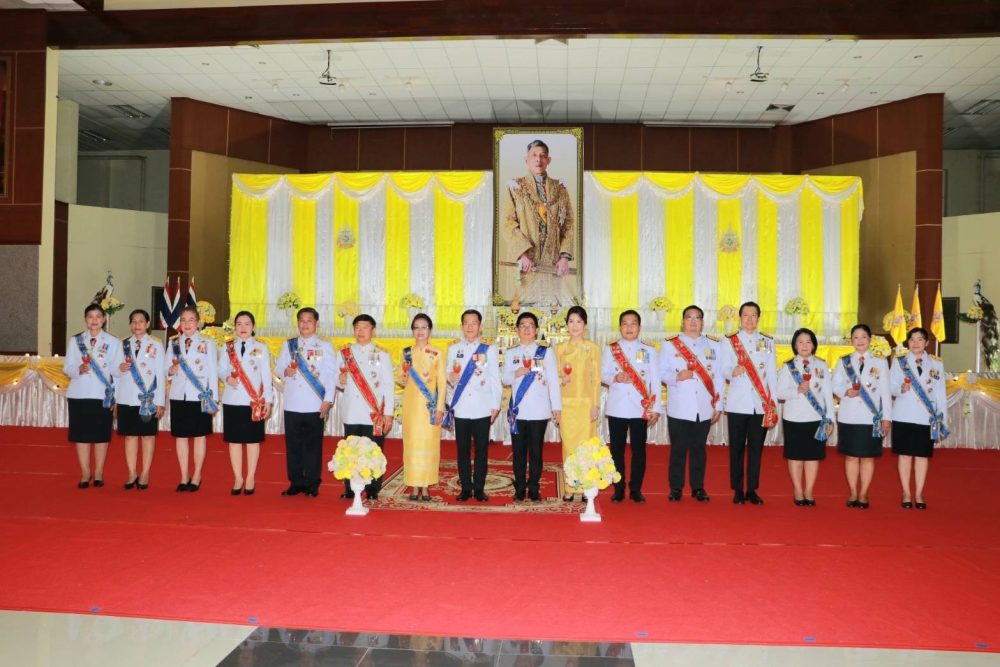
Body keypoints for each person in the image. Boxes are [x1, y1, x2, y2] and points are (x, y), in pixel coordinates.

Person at [501, 139, 577, 306]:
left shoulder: (560, 189)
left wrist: (564, 257)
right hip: (527, 261)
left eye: (542, 156)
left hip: (552, 261)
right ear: (526, 159)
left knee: (552, 308)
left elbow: (569, 223)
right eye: (534, 155)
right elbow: (508, 222)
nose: (538, 159)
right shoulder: (515, 187)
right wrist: (522, 254)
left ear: (548, 160)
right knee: (525, 310)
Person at [662, 305, 724, 502]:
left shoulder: (714, 345)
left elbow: (719, 377)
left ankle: (698, 487)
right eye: (689, 318)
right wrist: (676, 376)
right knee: (678, 449)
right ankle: (676, 488)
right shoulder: (670, 344)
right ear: (682, 322)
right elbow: (661, 372)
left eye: (697, 318)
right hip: (679, 406)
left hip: (704, 406)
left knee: (699, 449)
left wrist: (719, 405)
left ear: (702, 322)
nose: (693, 321)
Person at [274, 307, 336, 498]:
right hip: (292, 402)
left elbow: (331, 375)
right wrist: (285, 371)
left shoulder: (324, 345)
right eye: (302, 320)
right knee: (293, 446)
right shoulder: (289, 344)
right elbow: (278, 369)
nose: (305, 324)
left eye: (309, 320)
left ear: (316, 323)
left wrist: (328, 400)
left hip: (314, 403)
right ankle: (295, 482)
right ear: (297, 323)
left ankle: (312, 483)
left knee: (313, 446)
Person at [601, 309, 661, 503]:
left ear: (639, 327)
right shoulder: (611, 349)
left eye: (633, 323)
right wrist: (615, 377)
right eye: (625, 324)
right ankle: (618, 488)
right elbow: (602, 374)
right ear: (620, 327)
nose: (629, 327)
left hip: (640, 408)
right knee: (616, 451)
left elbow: (655, 380)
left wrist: (656, 408)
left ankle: (636, 489)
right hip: (617, 407)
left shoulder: (649, 350)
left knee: (639, 451)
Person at [721, 301, 778, 505]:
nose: (750, 319)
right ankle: (737, 489)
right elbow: (723, 369)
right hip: (738, 403)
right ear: (740, 318)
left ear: (758, 318)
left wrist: (772, 402)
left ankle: (752, 489)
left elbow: (772, 374)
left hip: (760, 404)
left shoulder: (767, 341)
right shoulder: (729, 341)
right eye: (746, 315)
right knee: (736, 448)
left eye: (754, 315)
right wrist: (732, 371)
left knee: (756, 449)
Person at [503, 311, 562, 501]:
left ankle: (534, 486)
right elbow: (505, 379)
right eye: (523, 325)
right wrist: (516, 373)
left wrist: (556, 407)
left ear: (536, 330)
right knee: (518, 452)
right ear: (517, 330)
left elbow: (553, 381)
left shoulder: (546, 352)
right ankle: (520, 487)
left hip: (539, 410)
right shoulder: (511, 352)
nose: (526, 329)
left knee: (536, 452)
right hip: (518, 410)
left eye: (530, 326)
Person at [334, 313, 394, 501]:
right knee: (350, 450)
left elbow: (388, 386)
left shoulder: (382, 354)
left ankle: (373, 488)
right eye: (357, 327)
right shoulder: (344, 353)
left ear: (373, 331)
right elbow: (336, 381)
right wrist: (340, 379)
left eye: (365, 327)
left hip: (373, 413)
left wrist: (388, 413)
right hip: (352, 411)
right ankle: (350, 488)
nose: (360, 331)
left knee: (374, 450)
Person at [833, 323, 892, 509]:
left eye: (863, 337)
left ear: (870, 339)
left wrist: (887, 418)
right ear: (851, 341)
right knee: (851, 457)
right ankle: (853, 492)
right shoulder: (844, 361)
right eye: (856, 337)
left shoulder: (880, 362)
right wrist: (846, 392)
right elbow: (835, 385)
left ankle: (864, 492)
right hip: (849, 416)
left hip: (871, 418)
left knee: (868, 457)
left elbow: (886, 392)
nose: (859, 341)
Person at [444, 309, 501, 502]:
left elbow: (495, 378)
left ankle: (479, 489)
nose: (470, 327)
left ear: (480, 326)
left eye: (474, 323)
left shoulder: (489, 349)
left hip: (482, 407)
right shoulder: (454, 349)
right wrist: (450, 377)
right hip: (461, 407)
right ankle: (465, 488)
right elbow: (448, 374)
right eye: (466, 323)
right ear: (461, 327)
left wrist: (495, 405)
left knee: (481, 451)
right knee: (462, 450)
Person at [63, 303, 123, 489]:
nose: (94, 320)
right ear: (85, 320)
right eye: (90, 317)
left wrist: (115, 398)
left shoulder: (113, 342)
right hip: (79, 394)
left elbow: (117, 373)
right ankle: (85, 472)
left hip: (102, 395)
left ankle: (98, 472)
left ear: (104, 319)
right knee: (81, 436)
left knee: (101, 436)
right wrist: (78, 369)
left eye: (98, 317)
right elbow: (67, 368)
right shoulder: (76, 341)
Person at [890, 327, 949, 510]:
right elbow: (890, 387)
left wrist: (942, 419)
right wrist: (901, 389)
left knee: (922, 456)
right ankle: (906, 493)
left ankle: (919, 493)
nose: (915, 343)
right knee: (905, 455)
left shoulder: (936, 364)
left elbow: (940, 394)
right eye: (912, 339)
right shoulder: (899, 361)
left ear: (927, 343)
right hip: (903, 414)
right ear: (907, 342)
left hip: (926, 416)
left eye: (920, 339)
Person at [775, 328, 834, 506]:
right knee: (795, 456)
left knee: (812, 457)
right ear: (794, 345)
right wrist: (797, 390)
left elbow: (828, 395)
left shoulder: (821, 365)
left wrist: (830, 419)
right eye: (800, 342)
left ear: (814, 345)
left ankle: (809, 489)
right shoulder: (788, 366)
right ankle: (798, 489)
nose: (804, 345)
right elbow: (779, 393)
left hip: (816, 418)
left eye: (808, 342)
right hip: (793, 418)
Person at [218, 310, 273, 496]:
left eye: (247, 324)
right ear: (234, 327)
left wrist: (268, 401)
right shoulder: (227, 347)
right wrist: (227, 377)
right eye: (239, 324)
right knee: (234, 441)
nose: (243, 327)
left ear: (253, 327)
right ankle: (237, 477)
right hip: (232, 400)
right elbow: (220, 369)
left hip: (253, 401)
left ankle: (250, 477)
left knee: (252, 441)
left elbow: (266, 376)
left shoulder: (261, 347)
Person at [165, 305, 219, 492]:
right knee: (180, 437)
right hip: (179, 395)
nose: (187, 324)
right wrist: (170, 370)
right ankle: (183, 475)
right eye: (184, 320)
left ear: (198, 323)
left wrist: (213, 399)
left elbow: (213, 372)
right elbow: (165, 369)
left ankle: (196, 475)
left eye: (191, 320)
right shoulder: (173, 343)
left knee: (199, 436)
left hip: (200, 395)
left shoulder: (208, 343)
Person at [113, 308, 165, 491]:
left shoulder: (156, 345)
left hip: (147, 399)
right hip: (126, 398)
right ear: (130, 325)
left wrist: (160, 402)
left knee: (148, 437)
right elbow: (114, 372)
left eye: (141, 321)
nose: (137, 325)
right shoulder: (123, 344)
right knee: (130, 436)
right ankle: (131, 472)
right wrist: (119, 368)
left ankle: (145, 473)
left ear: (148, 324)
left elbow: (160, 375)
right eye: (134, 322)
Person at [555, 305, 601, 502]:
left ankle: (585, 486)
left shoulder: (593, 348)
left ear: (585, 325)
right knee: (568, 446)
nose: (575, 326)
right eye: (571, 321)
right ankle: (570, 487)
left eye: (579, 322)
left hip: (586, 405)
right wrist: (561, 380)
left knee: (585, 447)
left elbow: (596, 379)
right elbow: (553, 378)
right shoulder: (559, 349)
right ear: (566, 324)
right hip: (566, 405)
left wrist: (595, 404)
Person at [399, 313, 446, 502]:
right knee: (411, 444)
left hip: (429, 408)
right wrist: (402, 378)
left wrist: (440, 408)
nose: (420, 331)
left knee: (428, 444)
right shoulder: (406, 353)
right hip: (411, 407)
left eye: (424, 327)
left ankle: (425, 485)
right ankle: (413, 484)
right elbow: (401, 378)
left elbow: (442, 383)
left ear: (430, 330)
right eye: (416, 327)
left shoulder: (437, 353)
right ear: (412, 330)